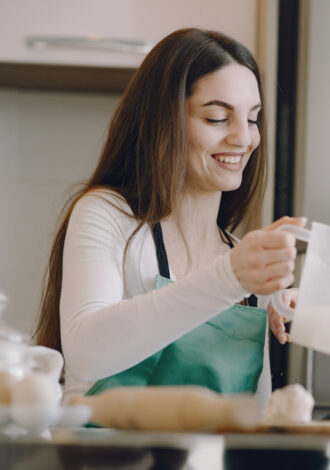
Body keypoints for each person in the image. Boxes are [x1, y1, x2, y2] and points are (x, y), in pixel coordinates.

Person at [33, 28, 304, 407]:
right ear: (164, 120)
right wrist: (230, 278)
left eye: (253, 118)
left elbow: (250, 416)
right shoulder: (108, 216)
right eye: (216, 118)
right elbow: (85, 353)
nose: (244, 138)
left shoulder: (244, 259)